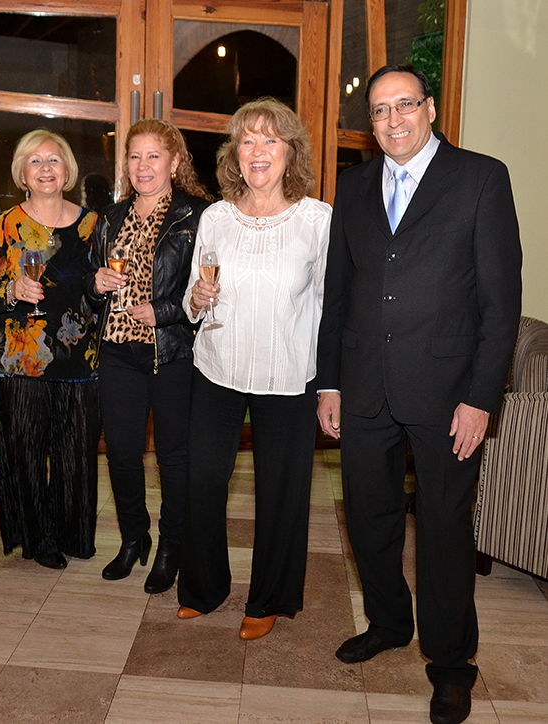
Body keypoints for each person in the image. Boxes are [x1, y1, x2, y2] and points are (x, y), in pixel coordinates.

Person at [316, 65, 521, 724]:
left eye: (405, 104)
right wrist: (330, 381)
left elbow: (500, 303)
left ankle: (452, 663)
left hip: (449, 393)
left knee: (442, 530)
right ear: (370, 124)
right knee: (368, 518)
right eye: (379, 110)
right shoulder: (352, 187)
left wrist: (482, 398)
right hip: (363, 384)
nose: (393, 119)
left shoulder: (481, 178)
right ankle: (387, 622)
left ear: (430, 108)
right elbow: (337, 293)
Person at [176, 98, 331, 640]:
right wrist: (197, 298)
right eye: (247, 140)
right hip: (217, 365)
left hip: (287, 373)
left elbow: (328, 305)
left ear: (291, 152)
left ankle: (268, 598)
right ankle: (204, 588)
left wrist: (331, 383)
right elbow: (194, 299)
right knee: (202, 479)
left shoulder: (317, 220)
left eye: (270, 140)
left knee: (282, 490)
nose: (258, 151)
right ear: (234, 154)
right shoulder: (216, 217)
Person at [85, 119, 211, 594]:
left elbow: (209, 286)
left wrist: (164, 311)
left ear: (174, 162)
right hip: (117, 350)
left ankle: (171, 547)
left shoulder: (197, 216)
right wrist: (95, 284)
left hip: (172, 351)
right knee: (121, 454)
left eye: (153, 156)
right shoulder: (110, 217)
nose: (143, 166)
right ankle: (134, 538)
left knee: (173, 458)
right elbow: (90, 283)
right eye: (134, 156)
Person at [0, 130, 101, 570]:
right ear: (23, 174)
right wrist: (11, 291)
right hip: (17, 360)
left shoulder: (92, 225)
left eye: (54, 160)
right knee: (24, 453)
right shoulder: (5, 225)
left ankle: (72, 534)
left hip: (79, 359)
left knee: (76, 454)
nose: (46, 168)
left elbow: (102, 288)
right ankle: (39, 539)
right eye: (35, 161)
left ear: (67, 171)